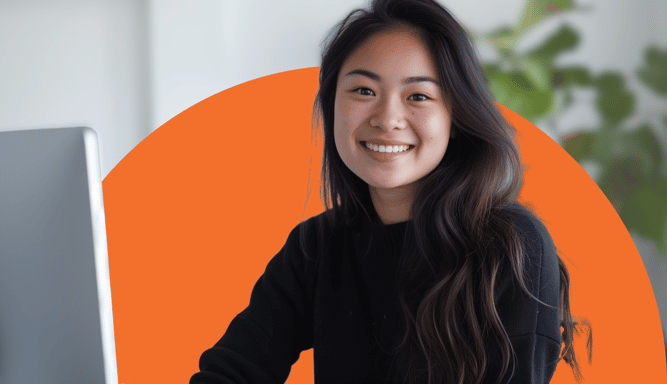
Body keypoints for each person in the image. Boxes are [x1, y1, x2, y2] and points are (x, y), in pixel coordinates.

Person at [189, 0, 588, 383]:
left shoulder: (512, 247)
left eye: (418, 96)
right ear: (332, 106)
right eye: (364, 91)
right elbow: (233, 371)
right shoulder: (316, 247)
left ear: (457, 115)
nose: (387, 119)